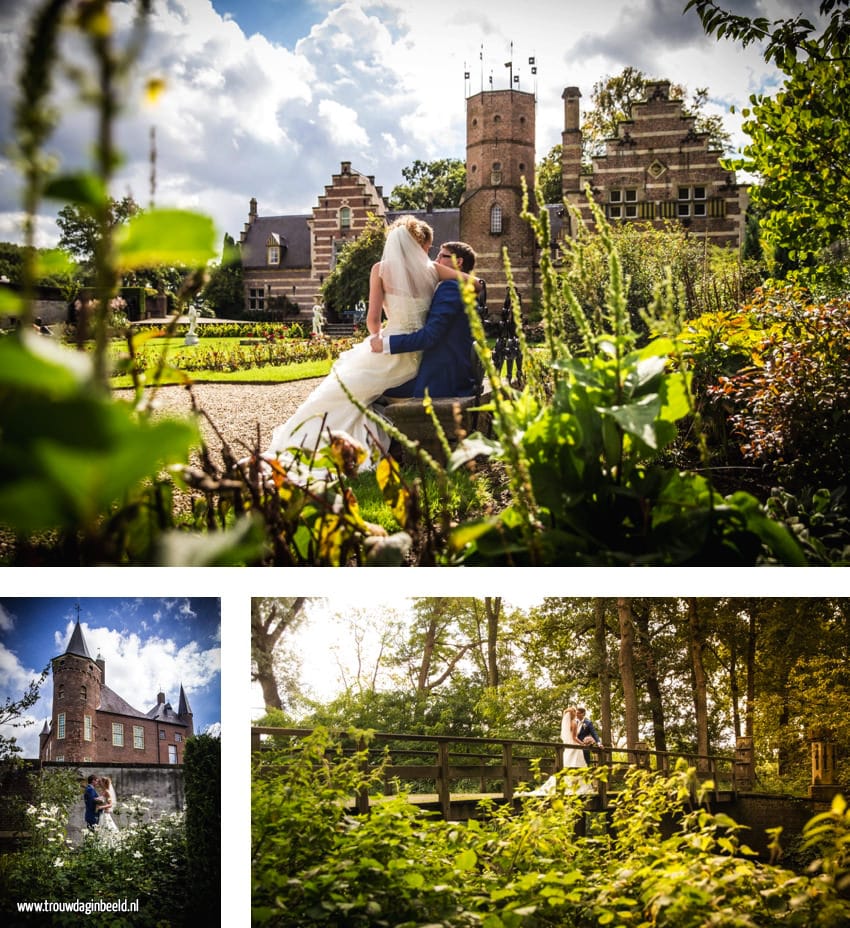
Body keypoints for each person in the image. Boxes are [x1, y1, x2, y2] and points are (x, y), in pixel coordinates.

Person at [261, 216, 479, 470]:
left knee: (341, 390)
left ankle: (311, 442)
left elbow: (372, 321)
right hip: (420, 355)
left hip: (393, 345)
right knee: (351, 392)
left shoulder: (380, 269)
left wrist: (377, 337)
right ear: (419, 245)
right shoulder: (433, 270)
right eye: (428, 248)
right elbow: (474, 283)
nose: (428, 253)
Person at [370, 240, 480, 399]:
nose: (436, 261)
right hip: (449, 372)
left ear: (459, 261)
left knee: (370, 388)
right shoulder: (463, 288)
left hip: (440, 379)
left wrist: (386, 343)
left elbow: (430, 336)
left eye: (442, 256)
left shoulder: (450, 288)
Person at [520, 706, 593, 797]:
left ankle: (563, 786)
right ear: (573, 714)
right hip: (575, 747)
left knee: (567, 766)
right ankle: (576, 787)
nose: (576, 714)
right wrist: (582, 744)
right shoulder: (574, 723)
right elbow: (574, 738)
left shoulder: (568, 723)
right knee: (577, 766)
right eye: (575, 712)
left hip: (568, 748)